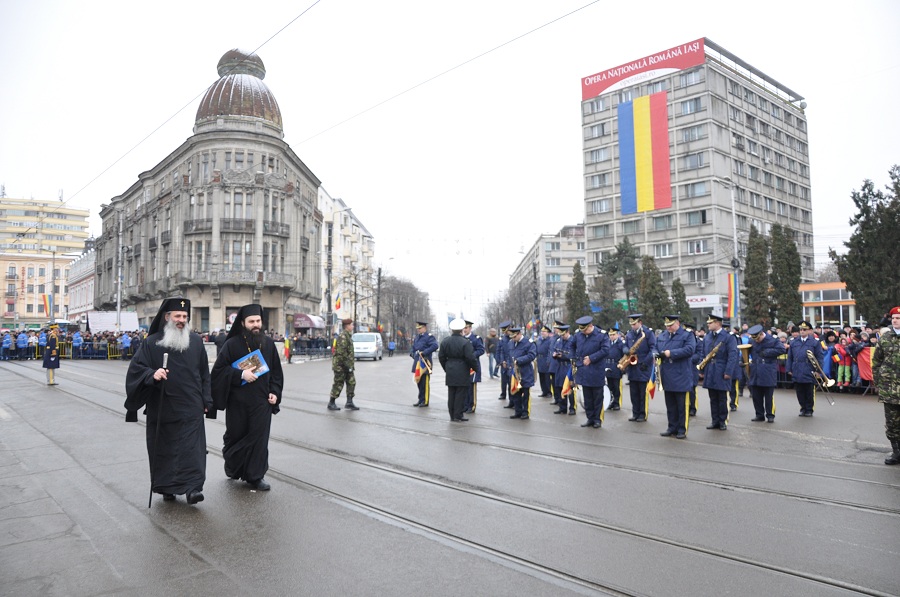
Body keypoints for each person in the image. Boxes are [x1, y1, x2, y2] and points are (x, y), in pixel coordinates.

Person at [125, 297, 212, 505]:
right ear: (167, 317)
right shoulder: (151, 342)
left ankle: (192, 489)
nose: (182, 320)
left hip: (191, 407)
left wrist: (207, 399)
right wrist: (152, 375)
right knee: (165, 450)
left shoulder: (196, 342)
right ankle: (167, 488)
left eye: (185, 316)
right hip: (163, 406)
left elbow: (204, 374)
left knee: (193, 450)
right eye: (178, 316)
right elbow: (136, 370)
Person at [211, 304, 284, 491]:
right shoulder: (232, 344)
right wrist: (240, 375)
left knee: (259, 440)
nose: (256, 325)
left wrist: (274, 392)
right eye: (251, 321)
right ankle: (233, 465)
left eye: (258, 321)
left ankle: (255, 476)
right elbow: (218, 371)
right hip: (237, 403)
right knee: (236, 437)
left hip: (261, 402)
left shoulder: (267, 344)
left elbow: (276, 372)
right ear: (243, 323)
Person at [656, 315, 696, 439]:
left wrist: (671, 353)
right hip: (666, 374)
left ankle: (682, 429)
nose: (668, 327)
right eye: (666, 325)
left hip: (681, 375)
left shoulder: (687, 335)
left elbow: (690, 350)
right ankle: (672, 427)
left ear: (677, 323)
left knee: (681, 405)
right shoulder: (663, 335)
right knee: (670, 404)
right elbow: (655, 347)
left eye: (671, 325)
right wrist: (654, 354)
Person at [699, 314, 738, 431]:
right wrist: (702, 369)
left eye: (710, 323)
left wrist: (728, 372)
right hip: (710, 369)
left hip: (721, 369)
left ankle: (723, 421)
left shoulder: (728, 337)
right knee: (713, 397)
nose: (708, 325)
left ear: (718, 323)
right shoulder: (707, 337)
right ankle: (714, 420)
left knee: (722, 398)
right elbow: (703, 353)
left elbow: (732, 356)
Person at [873, 306, 900, 465]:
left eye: (898, 318)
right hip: (889, 390)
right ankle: (897, 452)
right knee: (892, 424)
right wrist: (879, 381)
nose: (895, 321)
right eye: (894, 318)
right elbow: (876, 362)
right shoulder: (885, 338)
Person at [573, 316, 610, 429]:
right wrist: (576, 359)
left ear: (590, 326)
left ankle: (597, 419)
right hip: (584, 370)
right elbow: (572, 346)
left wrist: (591, 358)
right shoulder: (578, 335)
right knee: (587, 397)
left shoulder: (601, 335)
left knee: (597, 397)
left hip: (596, 370)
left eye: (585, 330)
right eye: (582, 330)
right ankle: (590, 418)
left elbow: (605, 350)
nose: (583, 332)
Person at [439, 318, 478, 421]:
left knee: (451, 393)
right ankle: (458, 415)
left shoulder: (445, 341)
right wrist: (475, 368)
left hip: (450, 370)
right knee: (460, 394)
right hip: (462, 370)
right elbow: (470, 358)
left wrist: (446, 367)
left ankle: (452, 415)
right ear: (462, 330)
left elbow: (441, 357)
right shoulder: (465, 342)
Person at [747, 324, 786, 423]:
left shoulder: (773, 340)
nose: (756, 341)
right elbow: (747, 351)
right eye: (754, 339)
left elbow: (782, 349)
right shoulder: (752, 340)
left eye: (758, 338)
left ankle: (770, 415)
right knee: (756, 395)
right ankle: (759, 414)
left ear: (761, 334)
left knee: (768, 396)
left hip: (768, 370)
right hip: (755, 370)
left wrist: (767, 352)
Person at [786, 321, 824, 417]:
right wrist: (789, 369)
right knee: (799, 391)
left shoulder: (814, 342)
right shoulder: (794, 342)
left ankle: (809, 409)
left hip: (809, 368)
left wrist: (818, 370)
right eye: (801, 330)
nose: (802, 331)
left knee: (809, 391)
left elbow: (819, 357)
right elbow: (790, 357)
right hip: (797, 368)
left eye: (804, 330)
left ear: (809, 331)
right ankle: (802, 408)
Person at [624, 314, 657, 423]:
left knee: (643, 393)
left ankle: (643, 414)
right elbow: (625, 345)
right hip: (632, 367)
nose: (633, 326)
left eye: (635, 324)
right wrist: (626, 350)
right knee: (634, 393)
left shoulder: (647, 333)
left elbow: (653, 349)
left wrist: (646, 362)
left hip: (643, 366)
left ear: (640, 323)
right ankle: (635, 413)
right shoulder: (629, 334)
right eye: (631, 324)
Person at [506, 326, 537, 419]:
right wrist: (509, 365)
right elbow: (509, 356)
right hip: (514, 372)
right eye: (512, 337)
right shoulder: (511, 343)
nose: (513, 339)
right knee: (515, 393)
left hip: (525, 371)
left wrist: (519, 360)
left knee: (525, 393)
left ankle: (525, 412)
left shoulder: (528, 343)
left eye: (514, 337)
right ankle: (518, 411)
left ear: (519, 334)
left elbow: (532, 355)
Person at [328, 318, 357, 411]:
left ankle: (349, 402)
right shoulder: (343, 336)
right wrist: (347, 366)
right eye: (351, 325)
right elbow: (341, 353)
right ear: (347, 326)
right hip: (341, 366)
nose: (352, 326)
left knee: (351, 382)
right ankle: (331, 402)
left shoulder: (348, 336)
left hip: (347, 365)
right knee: (338, 383)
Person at [410, 320, 438, 407]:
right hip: (417, 362)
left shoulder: (429, 337)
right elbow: (413, 348)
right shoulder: (417, 337)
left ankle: (425, 400)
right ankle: (420, 399)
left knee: (424, 383)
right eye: (418, 328)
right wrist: (412, 353)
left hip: (425, 362)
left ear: (425, 328)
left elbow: (435, 346)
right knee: (418, 382)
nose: (418, 330)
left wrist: (424, 352)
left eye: (420, 328)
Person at [462, 320, 484, 413]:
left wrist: (472, 355)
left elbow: (481, 350)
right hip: (464, 366)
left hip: (473, 366)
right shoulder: (461, 338)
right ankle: (465, 405)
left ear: (470, 328)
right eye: (463, 328)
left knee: (471, 386)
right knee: (465, 387)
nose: (464, 330)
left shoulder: (475, 338)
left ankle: (472, 405)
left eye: (466, 328)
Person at [604, 328, 625, 411]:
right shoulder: (608, 343)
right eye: (610, 335)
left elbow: (624, 357)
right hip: (608, 366)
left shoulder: (621, 344)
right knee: (610, 386)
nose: (612, 336)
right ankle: (611, 402)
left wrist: (623, 369)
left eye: (613, 335)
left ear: (617, 335)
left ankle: (617, 403)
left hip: (616, 366)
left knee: (616, 387)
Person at [496, 321, 512, 404]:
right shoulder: (502, 339)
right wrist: (501, 361)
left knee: (511, 381)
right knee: (504, 380)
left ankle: (511, 397)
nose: (506, 333)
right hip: (504, 363)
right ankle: (503, 393)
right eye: (505, 332)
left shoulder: (513, 338)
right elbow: (499, 351)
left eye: (507, 331)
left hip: (511, 363)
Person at [536, 325, 554, 398]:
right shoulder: (539, 340)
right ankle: (544, 391)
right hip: (540, 360)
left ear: (548, 333)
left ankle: (549, 392)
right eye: (542, 332)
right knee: (541, 377)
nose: (542, 333)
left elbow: (550, 351)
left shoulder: (550, 340)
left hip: (546, 360)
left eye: (544, 332)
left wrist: (549, 361)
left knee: (547, 378)